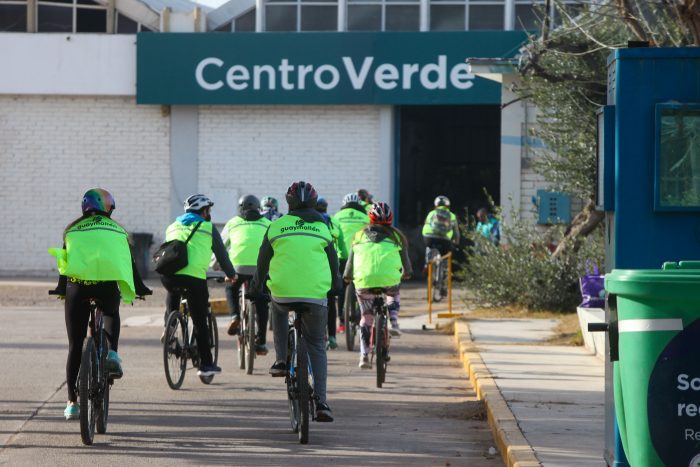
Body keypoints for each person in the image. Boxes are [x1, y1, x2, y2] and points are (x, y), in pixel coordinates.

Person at [49, 188, 152, 420]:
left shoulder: (71, 230)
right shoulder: (118, 230)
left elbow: (64, 265)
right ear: (108, 209)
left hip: (78, 288)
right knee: (111, 312)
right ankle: (112, 353)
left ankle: (72, 402)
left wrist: (61, 289)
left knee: (75, 345)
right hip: (106, 288)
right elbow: (129, 264)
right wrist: (140, 288)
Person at [251, 181, 341, 422]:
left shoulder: (276, 226)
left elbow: (262, 263)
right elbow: (334, 264)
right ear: (313, 202)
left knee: (278, 309)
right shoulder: (323, 228)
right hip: (315, 295)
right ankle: (321, 402)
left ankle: (281, 360)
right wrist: (336, 287)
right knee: (316, 345)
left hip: (283, 292)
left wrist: (256, 288)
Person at [160, 194, 237, 377]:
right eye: (208, 210)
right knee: (200, 319)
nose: (209, 213)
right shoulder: (208, 227)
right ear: (204, 211)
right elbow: (222, 256)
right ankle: (206, 365)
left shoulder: (172, 226)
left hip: (169, 275)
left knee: (173, 292)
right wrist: (231, 275)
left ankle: (169, 328)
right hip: (194, 278)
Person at [343, 202, 412, 369]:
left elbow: (350, 263)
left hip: (364, 281)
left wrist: (347, 276)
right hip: (389, 279)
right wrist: (407, 273)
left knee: (366, 317)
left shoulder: (358, 236)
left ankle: (364, 356)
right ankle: (394, 322)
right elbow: (406, 264)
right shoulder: (397, 237)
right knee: (393, 292)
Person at [221, 195, 271, 354]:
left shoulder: (232, 223)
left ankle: (235, 316)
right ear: (258, 208)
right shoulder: (268, 224)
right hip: (260, 270)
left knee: (231, 287)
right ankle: (261, 342)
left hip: (237, 268)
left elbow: (221, 248)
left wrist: (216, 266)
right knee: (262, 301)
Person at [331, 193, 370, 333]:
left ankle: (341, 321)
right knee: (361, 285)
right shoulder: (366, 218)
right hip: (361, 255)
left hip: (341, 257)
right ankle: (361, 314)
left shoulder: (337, 216)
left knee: (341, 288)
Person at [315, 196, 346, 350]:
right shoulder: (333, 222)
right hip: (331, 264)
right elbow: (342, 246)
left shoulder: (311, 222)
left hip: (314, 266)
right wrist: (344, 260)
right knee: (331, 300)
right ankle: (332, 336)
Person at [421, 195, 460, 268]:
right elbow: (456, 232)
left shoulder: (431, 213)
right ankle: (445, 269)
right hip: (444, 238)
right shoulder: (452, 215)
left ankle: (426, 263)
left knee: (429, 246)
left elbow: (426, 224)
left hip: (428, 236)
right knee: (446, 253)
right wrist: (456, 243)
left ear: (436, 205)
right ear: (448, 206)